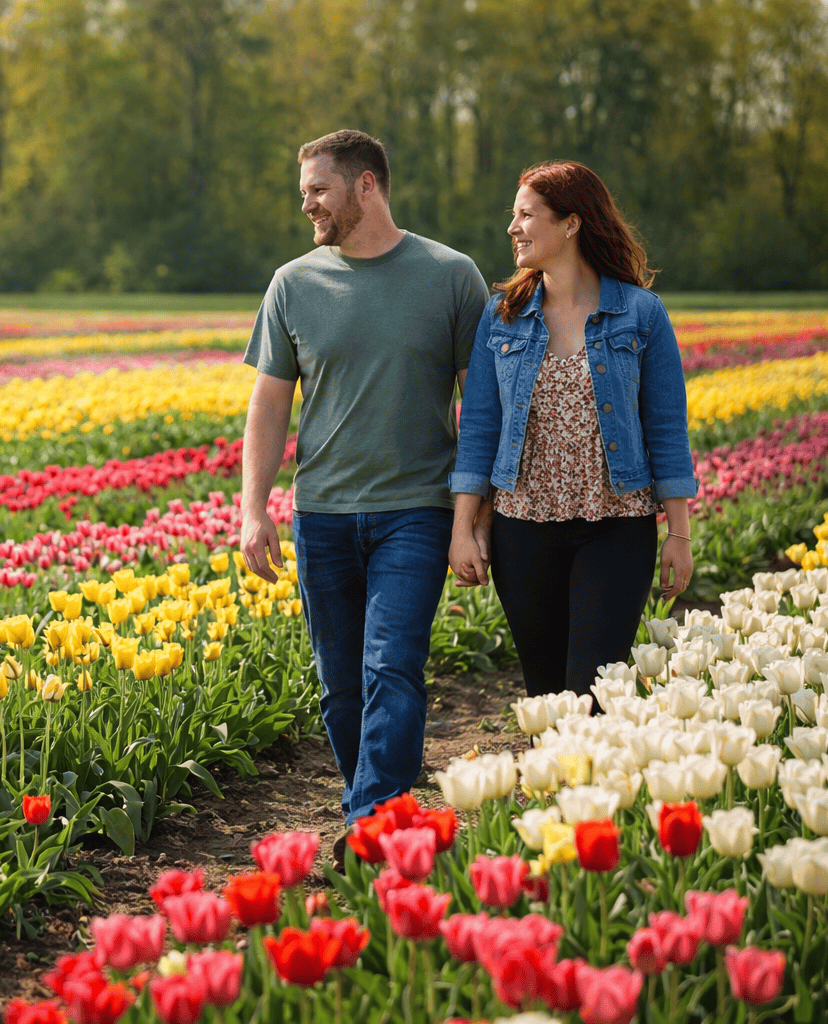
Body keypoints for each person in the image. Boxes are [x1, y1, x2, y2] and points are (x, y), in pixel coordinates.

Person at [239, 130, 488, 866]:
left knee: (393, 667)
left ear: (367, 185)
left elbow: (482, 406)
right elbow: (269, 405)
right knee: (340, 689)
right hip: (321, 514)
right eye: (305, 192)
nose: (307, 204)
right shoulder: (293, 283)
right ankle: (378, 816)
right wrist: (253, 510)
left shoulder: (451, 276)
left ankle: (372, 823)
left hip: (418, 510)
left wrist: (473, 518)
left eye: (319, 190)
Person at [448, 161, 696, 698]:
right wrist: (463, 528)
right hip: (523, 529)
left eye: (526, 215)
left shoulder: (641, 314)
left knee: (593, 693)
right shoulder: (504, 316)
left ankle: (594, 784)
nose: (513, 227)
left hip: (616, 527)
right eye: (513, 215)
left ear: (571, 224)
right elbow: (480, 428)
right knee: (545, 694)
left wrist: (679, 533)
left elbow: (667, 430)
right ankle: (551, 786)